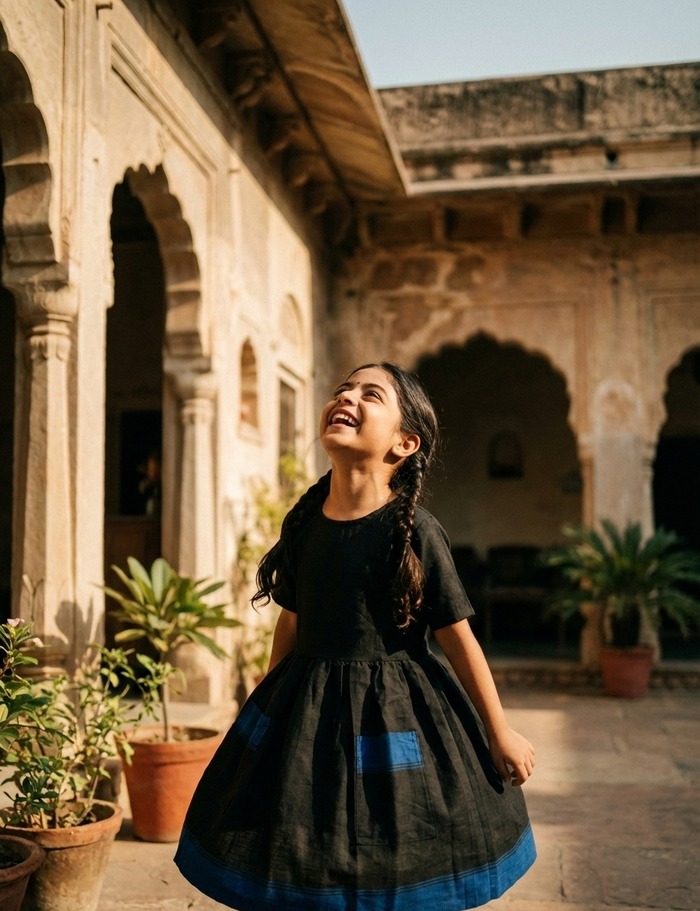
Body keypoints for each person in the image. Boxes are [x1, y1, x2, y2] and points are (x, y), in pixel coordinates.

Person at [175, 362, 536, 911]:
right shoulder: (304, 526)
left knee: (391, 832)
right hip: (306, 706)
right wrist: (265, 707)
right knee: (307, 838)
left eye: (371, 394)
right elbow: (291, 622)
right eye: (344, 388)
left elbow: (458, 637)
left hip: (397, 709)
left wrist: (499, 729)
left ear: (404, 443)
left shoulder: (412, 530)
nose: (348, 396)